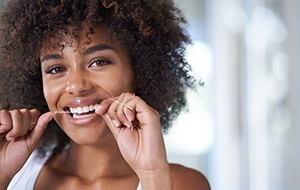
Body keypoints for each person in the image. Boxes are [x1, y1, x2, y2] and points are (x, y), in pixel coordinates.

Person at [0, 0, 210, 189]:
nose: (76, 86)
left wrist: (152, 175)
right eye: (55, 69)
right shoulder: (16, 173)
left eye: (99, 62)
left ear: (140, 72)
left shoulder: (182, 183)